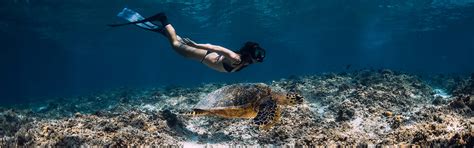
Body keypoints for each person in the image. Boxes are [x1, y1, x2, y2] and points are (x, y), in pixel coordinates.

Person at [108, 8, 266, 73]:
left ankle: (164, 30)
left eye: (260, 54)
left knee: (175, 40)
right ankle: (163, 19)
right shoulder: (236, 58)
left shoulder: (244, 62)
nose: (260, 57)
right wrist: (196, 45)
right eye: (258, 54)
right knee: (176, 45)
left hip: (202, 55)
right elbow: (217, 47)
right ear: (249, 53)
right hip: (201, 54)